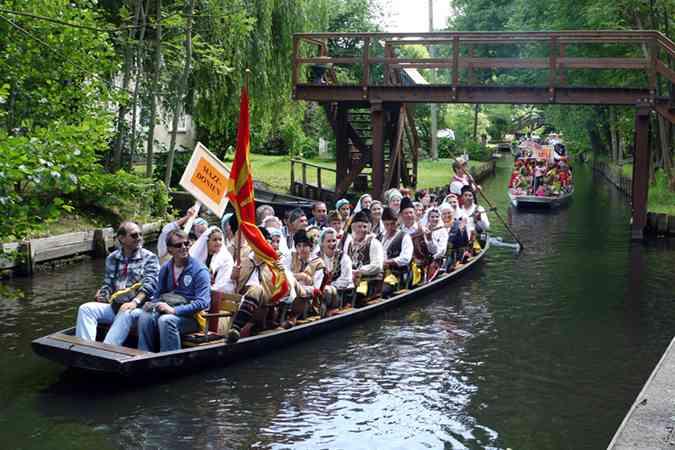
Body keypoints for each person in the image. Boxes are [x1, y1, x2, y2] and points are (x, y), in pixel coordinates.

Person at [75, 221, 159, 345]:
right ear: (121, 238)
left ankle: (106, 350)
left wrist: (134, 302)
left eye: (140, 234)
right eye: (134, 235)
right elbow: (108, 283)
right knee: (86, 308)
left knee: (125, 311)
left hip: (139, 309)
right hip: (116, 306)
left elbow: (150, 285)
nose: (139, 238)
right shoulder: (112, 258)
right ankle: (84, 348)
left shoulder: (149, 257)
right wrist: (102, 296)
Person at [136, 230, 211, 352]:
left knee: (166, 320)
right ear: (170, 250)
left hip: (194, 318)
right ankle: (144, 355)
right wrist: (152, 303)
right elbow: (158, 294)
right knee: (145, 316)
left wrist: (174, 310)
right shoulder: (166, 268)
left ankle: (170, 360)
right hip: (169, 311)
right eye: (178, 245)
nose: (184, 247)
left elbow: (203, 303)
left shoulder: (200, 270)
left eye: (186, 243)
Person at [345, 210, 383, 307]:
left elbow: (377, 266)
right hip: (352, 280)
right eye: (359, 226)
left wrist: (359, 271)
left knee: (355, 296)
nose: (362, 230)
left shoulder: (374, 243)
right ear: (353, 227)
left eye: (364, 227)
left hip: (369, 281)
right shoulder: (349, 243)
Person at [317, 227, 353, 315]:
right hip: (319, 292)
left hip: (340, 294)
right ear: (322, 243)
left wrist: (330, 286)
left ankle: (322, 313)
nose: (332, 244)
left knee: (325, 291)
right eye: (328, 241)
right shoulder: (316, 257)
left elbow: (346, 280)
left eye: (334, 241)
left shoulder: (344, 258)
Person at [189, 226, 235, 295]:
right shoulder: (198, 255)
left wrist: (206, 290)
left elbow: (223, 282)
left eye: (220, 240)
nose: (218, 242)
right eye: (214, 240)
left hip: (216, 293)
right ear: (207, 241)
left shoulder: (226, 258)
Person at [380, 208, 412, 297]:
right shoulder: (379, 237)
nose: (390, 227)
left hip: (396, 274)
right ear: (383, 223)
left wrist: (387, 262)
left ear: (397, 222)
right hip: (379, 273)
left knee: (383, 291)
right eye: (387, 224)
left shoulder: (404, 237)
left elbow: (406, 258)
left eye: (393, 224)